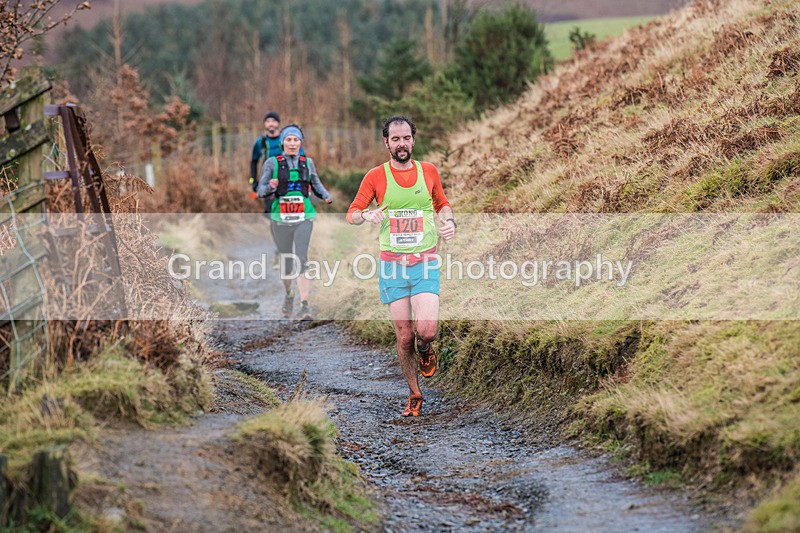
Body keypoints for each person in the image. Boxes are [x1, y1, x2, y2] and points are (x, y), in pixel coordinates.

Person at [347, 115, 456, 417]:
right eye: (395, 139)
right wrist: (366, 216)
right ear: (386, 143)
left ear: (413, 140)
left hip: (425, 262)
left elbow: (442, 204)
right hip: (392, 265)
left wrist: (449, 221)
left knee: (427, 331)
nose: (401, 143)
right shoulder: (375, 177)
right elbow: (352, 213)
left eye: (406, 138)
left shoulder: (429, 171)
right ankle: (415, 392)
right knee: (404, 335)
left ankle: (426, 350)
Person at [257, 124, 333, 319]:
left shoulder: (307, 163)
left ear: (300, 142)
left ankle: (305, 304)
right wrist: (270, 187)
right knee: (286, 262)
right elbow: (260, 191)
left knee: (301, 257)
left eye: (296, 140)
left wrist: (326, 196)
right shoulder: (272, 163)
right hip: (280, 218)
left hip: (304, 216)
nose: (292, 143)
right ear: (283, 142)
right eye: (289, 139)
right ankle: (289, 294)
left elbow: (315, 183)